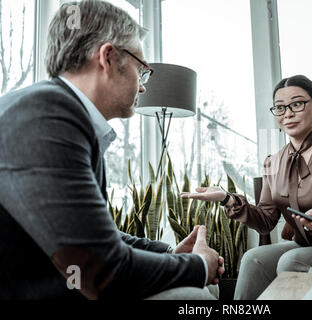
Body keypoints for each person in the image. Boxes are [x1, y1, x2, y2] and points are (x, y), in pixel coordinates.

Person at [0, 0, 223, 300]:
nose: (143, 87)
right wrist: (198, 265)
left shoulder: (56, 110)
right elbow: (100, 269)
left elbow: (93, 237)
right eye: (142, 70)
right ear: (107, 57)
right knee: (193, 296)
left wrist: (169, 251)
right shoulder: (48, 115)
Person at [181, 75, 312, 300]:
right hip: (309, 250)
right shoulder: (272, 162)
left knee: (292, 260)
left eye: (297, 104)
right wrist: (228, 199)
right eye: (280, 108)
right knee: (253, 258)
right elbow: (265, 221)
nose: (288, 114)